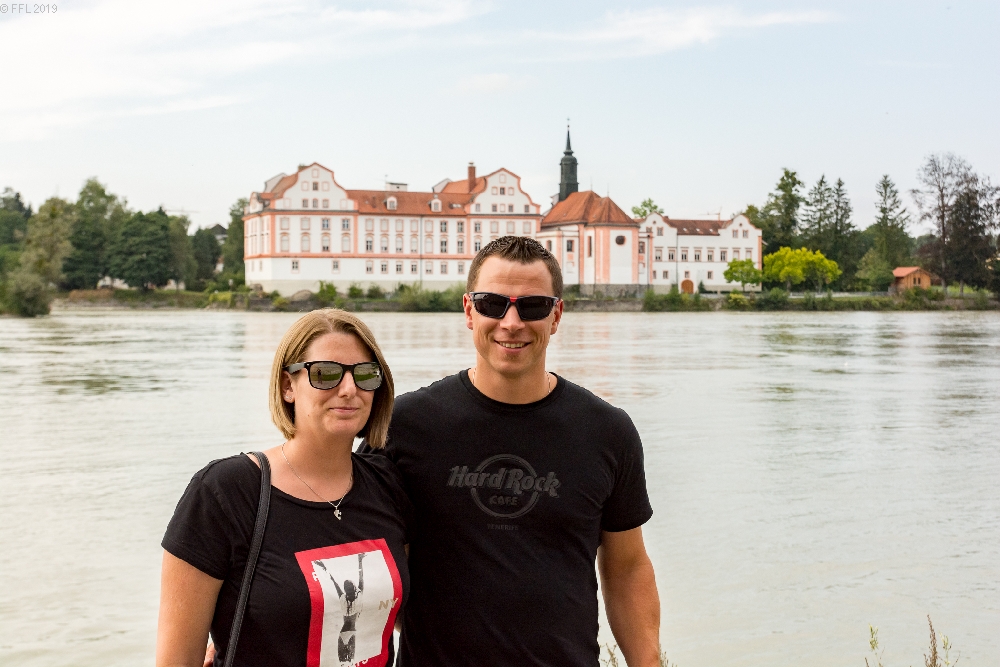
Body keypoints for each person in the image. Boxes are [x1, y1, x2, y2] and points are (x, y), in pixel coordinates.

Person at [369, 236, 661, 666]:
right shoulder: (403, 427)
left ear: (556, 315)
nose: (511, 322)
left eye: (533, 306)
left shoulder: (607, 432)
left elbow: (627, 568)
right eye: (492, 304)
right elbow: (360, 550)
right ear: (469, 310)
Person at [157, 310, 411, 667]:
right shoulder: (225, 492)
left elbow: (401, 615)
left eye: (365, 374)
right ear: (287, 386)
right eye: (326, 373)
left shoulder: (388, 486)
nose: (349, 389)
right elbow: (177, 659)